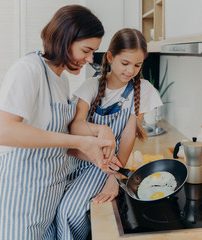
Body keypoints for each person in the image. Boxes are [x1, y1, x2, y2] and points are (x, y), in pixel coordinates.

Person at [0, 5, 121, 239]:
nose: (90, 58)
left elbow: (52, 144)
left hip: (42, 207)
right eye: (86, 50)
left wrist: (96, 156)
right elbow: (2, 132)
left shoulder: (60, 80)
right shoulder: (28, 70)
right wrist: (82, 141)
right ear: (65, 39)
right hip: (13, 207)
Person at [55, 28, 163, 239]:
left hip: (105, 166)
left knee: (69, 212)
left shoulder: (144, 89)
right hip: (77, 160)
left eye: (137, 65)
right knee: (54, 210)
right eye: (125, 63)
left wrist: (115, 178)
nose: (131, 70)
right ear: (110, 57)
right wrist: (101, 129)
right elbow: (75, 126)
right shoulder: (91, 86)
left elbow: (128, 136)